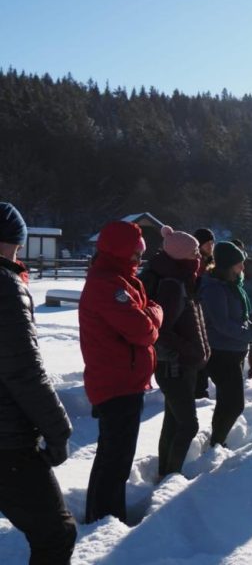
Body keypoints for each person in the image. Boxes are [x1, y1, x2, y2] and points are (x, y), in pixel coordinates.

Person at [0, 202, 77, 563]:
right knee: (56, 535)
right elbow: (24, 370)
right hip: (8, 440)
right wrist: (58, 428)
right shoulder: (5, 287)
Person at [79, 221, 163, 524]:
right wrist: (155, 312)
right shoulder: (108, 285)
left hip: (125, 381)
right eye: (135, 254)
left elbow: (141, 320)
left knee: (113, 456)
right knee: (115, 459)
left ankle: (102, 514)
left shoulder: (121, 281)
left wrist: (147, 312)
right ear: (122, 254)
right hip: (116, 384)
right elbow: (143, 331)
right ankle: (104, 519)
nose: (139, 260)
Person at [140, 226, 210, 478]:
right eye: (195, 253)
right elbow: (162, 330)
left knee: (173, 421)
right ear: (183, 257)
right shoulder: (172, 284)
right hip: (174, 367)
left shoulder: (181, 279)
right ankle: (171, 475)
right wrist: (189, 350)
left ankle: (165, 474)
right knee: (188, 425)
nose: (199, 257)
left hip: (181, 365)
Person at [198, 241, 252, 447]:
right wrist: (250, 334)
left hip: (234, 350)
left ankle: (216, 441)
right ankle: (216, 441)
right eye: (238, 264)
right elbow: (222, 324)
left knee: (227, 401)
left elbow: (238, 317)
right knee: (234, 404)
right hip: (221, 352)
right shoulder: (215, 288)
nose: (242, 267)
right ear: (226, 265)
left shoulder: (234, 285)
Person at [193, 227, 215, 398]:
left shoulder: (211, 262)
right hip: (197, 314)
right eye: (207, 243)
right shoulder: (196, 263)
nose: (210, 245)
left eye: (212, 242)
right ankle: (199, 391)